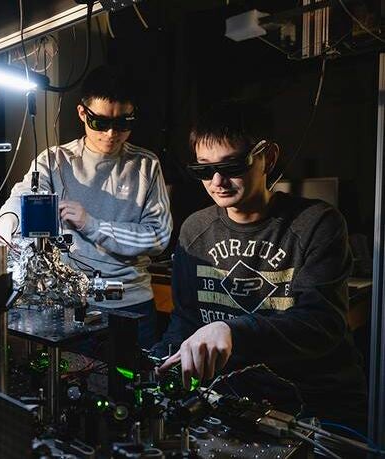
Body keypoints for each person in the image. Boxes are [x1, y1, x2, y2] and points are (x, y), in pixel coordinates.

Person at [153, 100, 366, 427]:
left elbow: (323, 323)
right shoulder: (195, 229)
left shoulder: (317, 223)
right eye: (204, 169)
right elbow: (185, 319)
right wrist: (158, 363)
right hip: (233, 398)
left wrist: (232, 331)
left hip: (313, 402)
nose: (217, 181)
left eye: (233, 166)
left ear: (268, 157)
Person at [0, 66, 173, 348]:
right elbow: (23, 197)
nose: (111, 134)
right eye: (100, 122)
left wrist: (92, 225)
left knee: (134, 388)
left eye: (122, 124)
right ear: (82, 113)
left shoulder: (146, 165)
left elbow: (158, 237)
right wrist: (0, 231)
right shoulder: (55, 160)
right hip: (72, 306)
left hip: (132, 306)